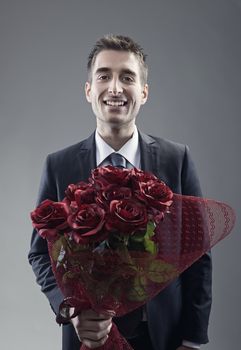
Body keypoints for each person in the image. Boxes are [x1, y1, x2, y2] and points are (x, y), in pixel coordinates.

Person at [28, 34, 212, 350]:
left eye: (127, 77)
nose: (115, 88)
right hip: (90, 338)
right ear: (88, 91)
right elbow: (40, 253)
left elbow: (199, 255)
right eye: (104, 76)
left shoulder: (176, 159)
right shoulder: (58, 165)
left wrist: (192, 340)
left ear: (143, 92)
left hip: (164, 337)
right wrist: (70, 310)